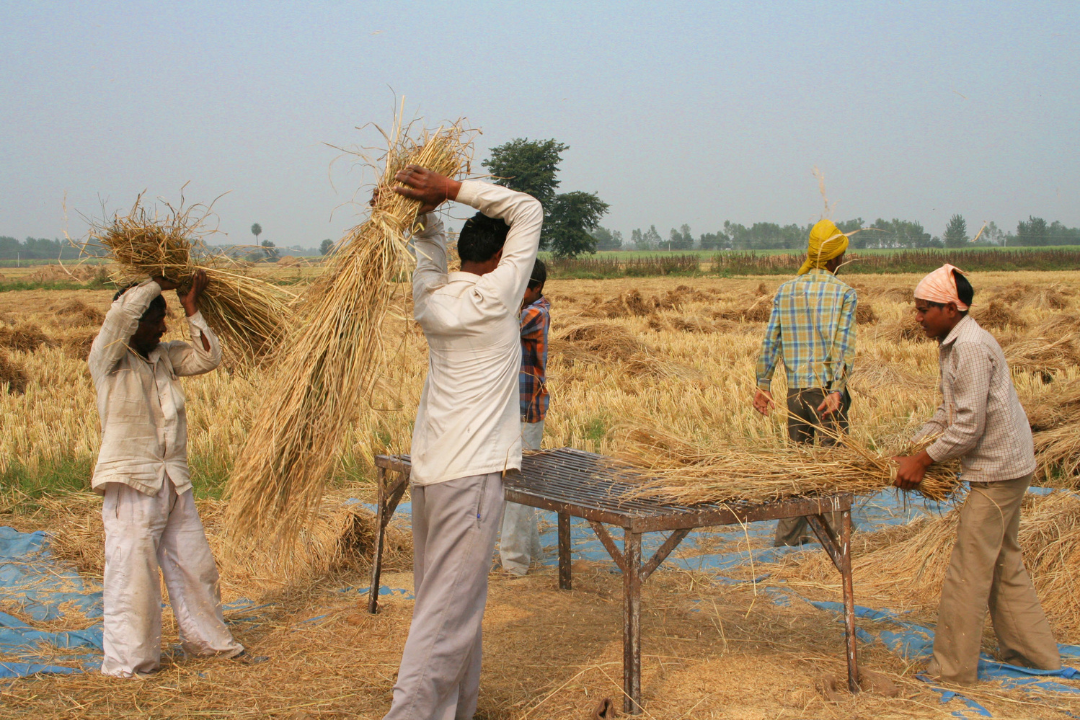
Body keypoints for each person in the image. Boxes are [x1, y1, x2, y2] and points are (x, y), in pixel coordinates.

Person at [384, 165, 543, 720]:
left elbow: (428, 253)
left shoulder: (431, 299)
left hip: (431, 473)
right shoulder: (498, 297)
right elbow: (528, 208)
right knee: (443, 618)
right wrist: (450, 190)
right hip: (471, 477)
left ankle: (457, 711)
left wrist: (424, 213)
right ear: (500, 258)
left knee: (454, 605)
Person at [894, 264, 1060, 686]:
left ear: (951, 309)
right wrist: (913, 446)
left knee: (968, 569)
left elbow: (969, 426)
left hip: (998, 471)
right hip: (1007, 464)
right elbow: (949, 411)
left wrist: (923, 461)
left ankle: (952, 670)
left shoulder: (968, 347)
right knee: (1003, 561)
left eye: (924, 310)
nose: (917, 317)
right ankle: (1035, 655)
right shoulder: (954, 343)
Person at [88, 270, 243, 678]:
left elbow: (208, 357)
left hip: (173, 479)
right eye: (156, 320)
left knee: (196, 566)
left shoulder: (163, 357)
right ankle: (131, 664)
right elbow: (121, 314)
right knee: (133, 576)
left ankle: (210, 644)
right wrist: (155, 281)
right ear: (136, 322)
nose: (163, 327)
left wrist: (192, 308)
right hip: (133, 481)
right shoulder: (108, 356)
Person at [752, 219, 857, 547]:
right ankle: (839, 544)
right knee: (832, 469)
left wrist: (763, 385)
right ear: (836, 258)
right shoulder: (844, 293)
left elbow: (771, 340)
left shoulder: (786, 291)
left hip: (796, 394)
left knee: (798, 469)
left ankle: (787, 540)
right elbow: (843, 347)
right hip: (826, 394)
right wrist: (837, 389)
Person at [499, 259, 550, 576]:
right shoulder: (527, 308)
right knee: (518, 483)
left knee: (517, 485)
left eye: (522, 288)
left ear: (537, 288)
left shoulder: (536, 313)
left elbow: (502, 323)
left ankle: (514, 562)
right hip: (512, 409)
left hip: (526, 410)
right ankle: (531, 554)